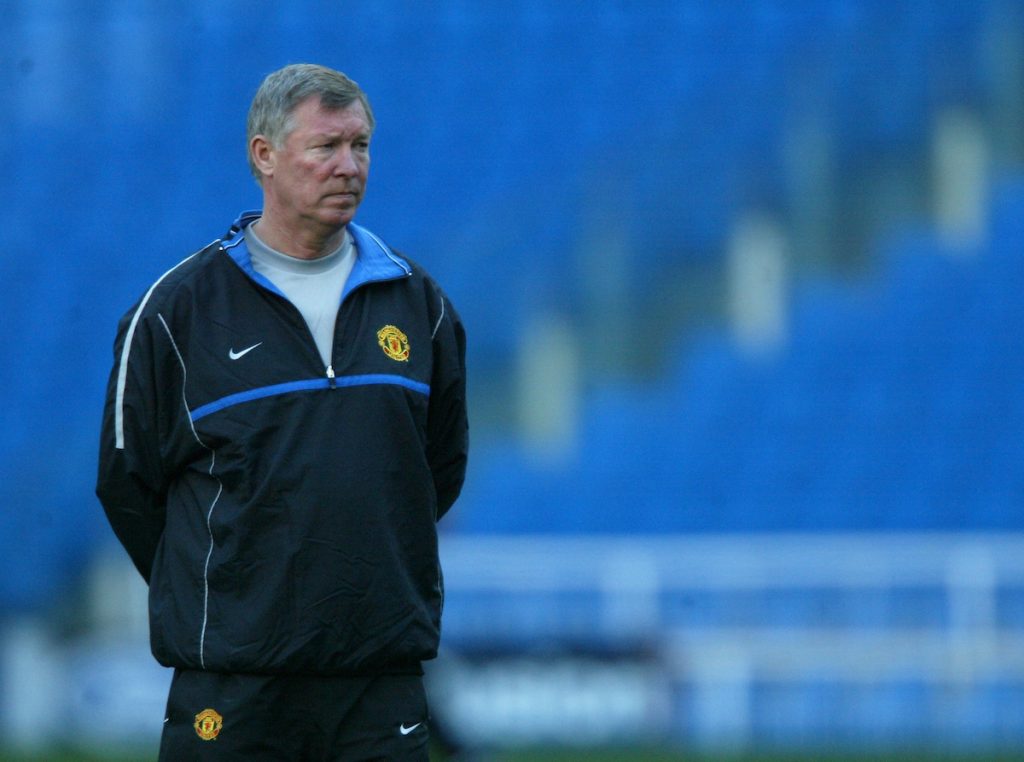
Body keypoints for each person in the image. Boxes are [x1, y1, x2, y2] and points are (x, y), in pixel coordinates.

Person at [96, 63, 468, 760]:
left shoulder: (422, 305)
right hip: (233, 683)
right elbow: (127, 486)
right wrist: (234, 586)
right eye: (325, 146)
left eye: (360, 146)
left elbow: (437, 472)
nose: (348, 165)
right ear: (263, 156)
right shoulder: (176, 313)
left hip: (378, 676)